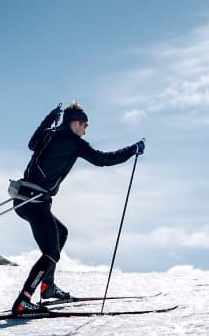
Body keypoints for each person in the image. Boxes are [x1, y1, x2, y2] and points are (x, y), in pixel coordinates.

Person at [9, 102, 145, 315]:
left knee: (61, 233)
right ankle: (23, 302)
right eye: (85, 125)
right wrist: (132, 149)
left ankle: (47, 287)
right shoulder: (72, 141)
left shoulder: (50, 134)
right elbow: (102, 159)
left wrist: (49, 118)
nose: (86, 131)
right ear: (76, 123)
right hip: (34, 202)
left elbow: (31, 144)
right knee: (51, 253)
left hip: (25, 199)